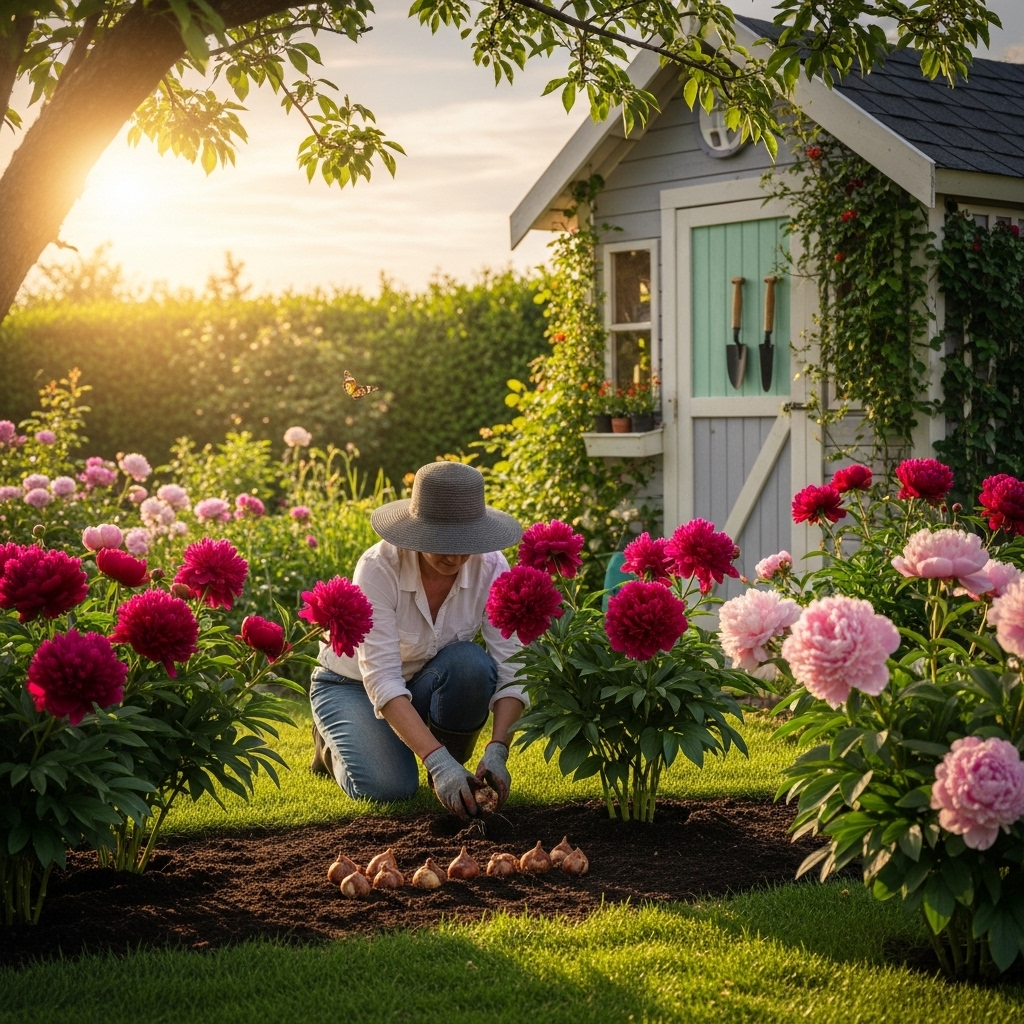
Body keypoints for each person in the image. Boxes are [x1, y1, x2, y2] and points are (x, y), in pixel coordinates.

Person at [309, 460, 526, 818]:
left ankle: (445, 767)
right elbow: (381, 678)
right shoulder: (378, 568)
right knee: (390, 789)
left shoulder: (491, 566)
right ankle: (329, 743)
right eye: (442, 542)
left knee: (471, 664)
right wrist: (438, 762)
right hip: (352, 685)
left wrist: (499, 746)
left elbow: (512, 664)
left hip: (424, 679)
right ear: (418, 531)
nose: (455, 555)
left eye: (465, 542)